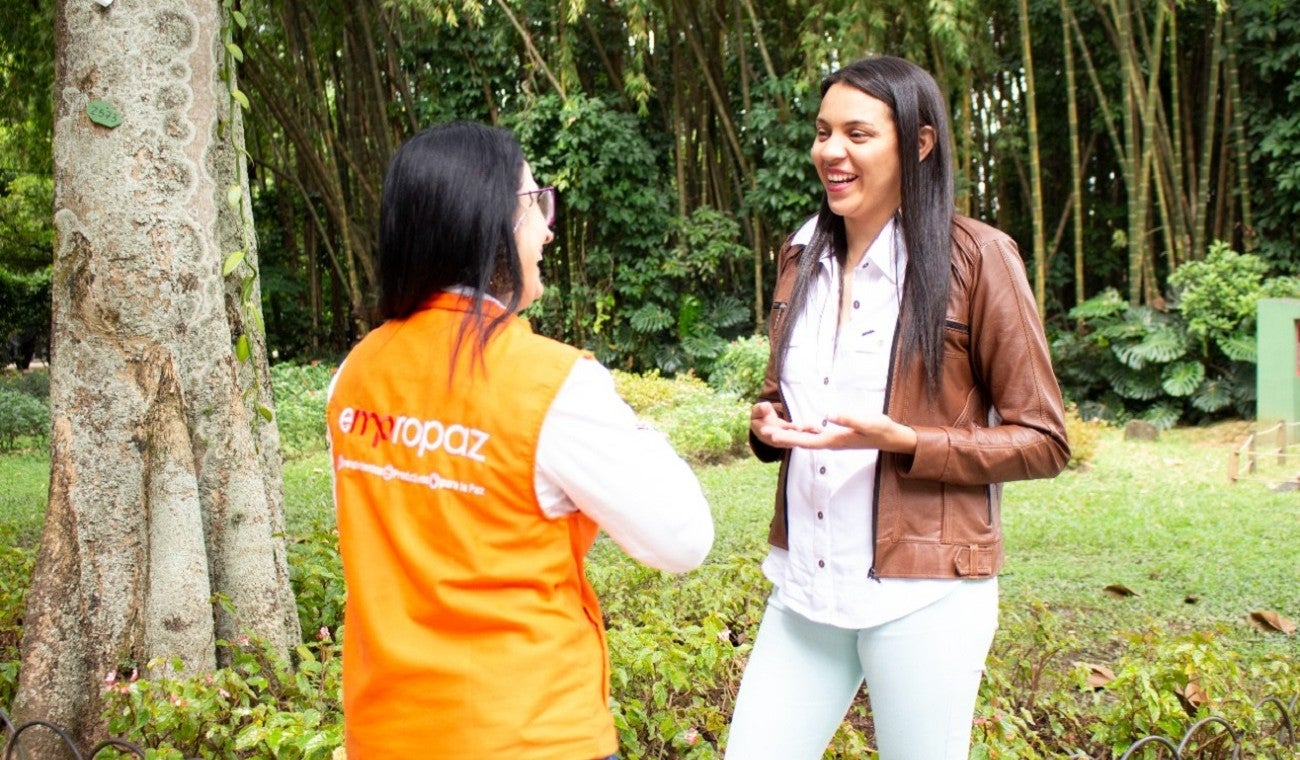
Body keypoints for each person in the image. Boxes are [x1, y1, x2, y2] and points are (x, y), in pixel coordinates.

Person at [326, 121, 714, 759]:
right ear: (491, 223)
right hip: (531, 734)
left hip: (388, 735)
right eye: (537, 203)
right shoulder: (555, 386)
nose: (548, 227)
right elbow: (684, 539)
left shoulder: (355, 374)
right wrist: (633, 422)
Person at [723, 56, 1070, 760]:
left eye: (857, 134)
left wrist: (908, 440)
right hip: (806, 589)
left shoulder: (978, 258)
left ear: (917, 144)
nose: (831, 152)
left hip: (924, 593)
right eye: (823, 132)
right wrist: (767, 427)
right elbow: (780, 395)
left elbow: (1043, 439)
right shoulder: (800, 255)